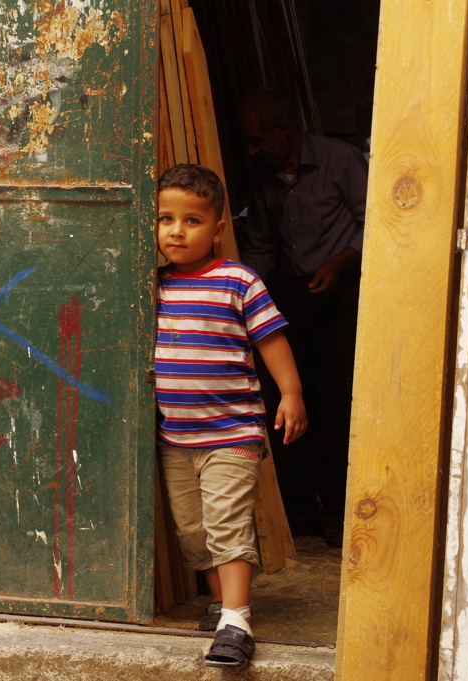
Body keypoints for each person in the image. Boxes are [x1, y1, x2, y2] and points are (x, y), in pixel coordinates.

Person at [155, 164, 307, 668]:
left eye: (192, 221)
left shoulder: (238, 280)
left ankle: (237, 622)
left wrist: (290, 393)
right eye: (166, 219)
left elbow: (271, 339)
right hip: (175, 436)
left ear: (217, 229)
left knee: (226, 524)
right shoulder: (150, 287)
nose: (177, 231)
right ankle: (222, 603)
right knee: (193, 532)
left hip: (232, 432)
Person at [238, 87, 368, 548]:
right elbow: (260, 243)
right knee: (287, 402)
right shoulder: (264, 170)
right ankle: (296, 510)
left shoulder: (341, 160)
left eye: (257, 139)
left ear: (284, 129)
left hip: (337, 292)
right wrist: (246, 293)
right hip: (289, 294)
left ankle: (335, 509)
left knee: (335, 404)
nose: (252, 150)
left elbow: (373, 222)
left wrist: (337, 264)